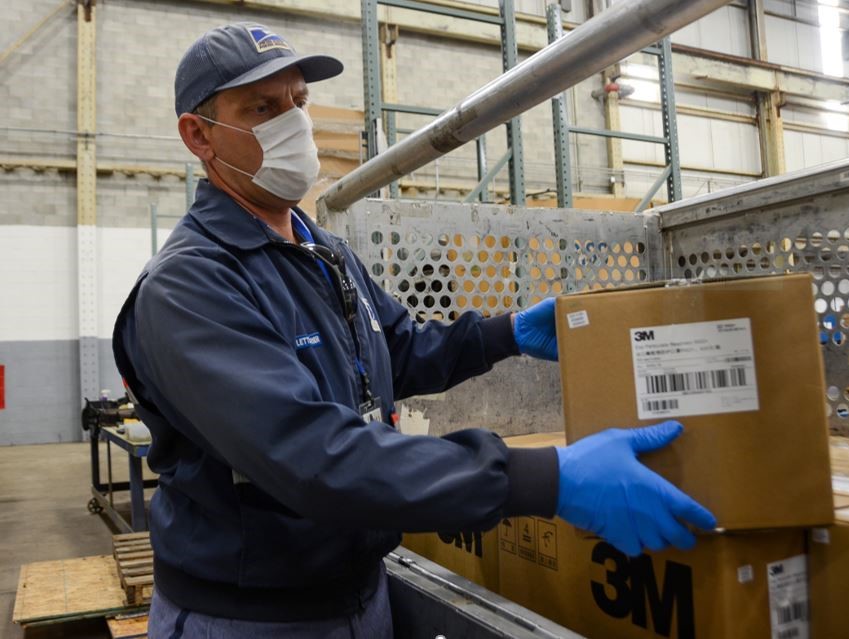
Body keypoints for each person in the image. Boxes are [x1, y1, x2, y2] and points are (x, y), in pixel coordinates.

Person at [112, 22, 716, 638]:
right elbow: (314, 456)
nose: (292, 123)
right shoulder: (189, 286)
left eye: (298, 102)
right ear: (199, 135)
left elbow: (396, 351)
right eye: (262, 108)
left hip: (359, 595)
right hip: (249, 620)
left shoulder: (323, 251)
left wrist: (504, 334)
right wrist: (545, 478)